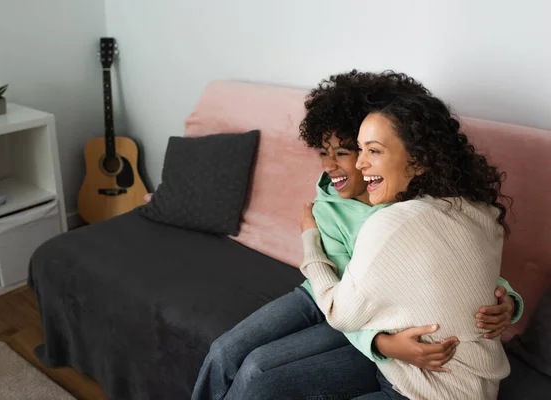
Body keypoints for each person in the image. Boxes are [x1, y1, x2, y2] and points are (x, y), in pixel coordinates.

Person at [189, 71, 522, 400]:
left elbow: (455, 268)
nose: (337, 165)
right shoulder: (331, 201)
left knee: (259, 369)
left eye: (356, 151)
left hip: (360, 310)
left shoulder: (407, 216)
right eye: (326, 151)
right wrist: (381, 342)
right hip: (329, 294)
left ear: (414, 154)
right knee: (224, 351)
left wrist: (508, 300)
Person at [298, 89, 516, 399]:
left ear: (419, 161)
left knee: (263, 378)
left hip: (419, 388)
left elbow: (338, 312)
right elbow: (458, 280)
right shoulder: (481, 210)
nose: (360, 164)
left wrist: (310, 244)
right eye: (359, 149)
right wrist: (509, 301)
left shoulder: (390, 224)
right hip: (473, 385)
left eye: (373, 151)